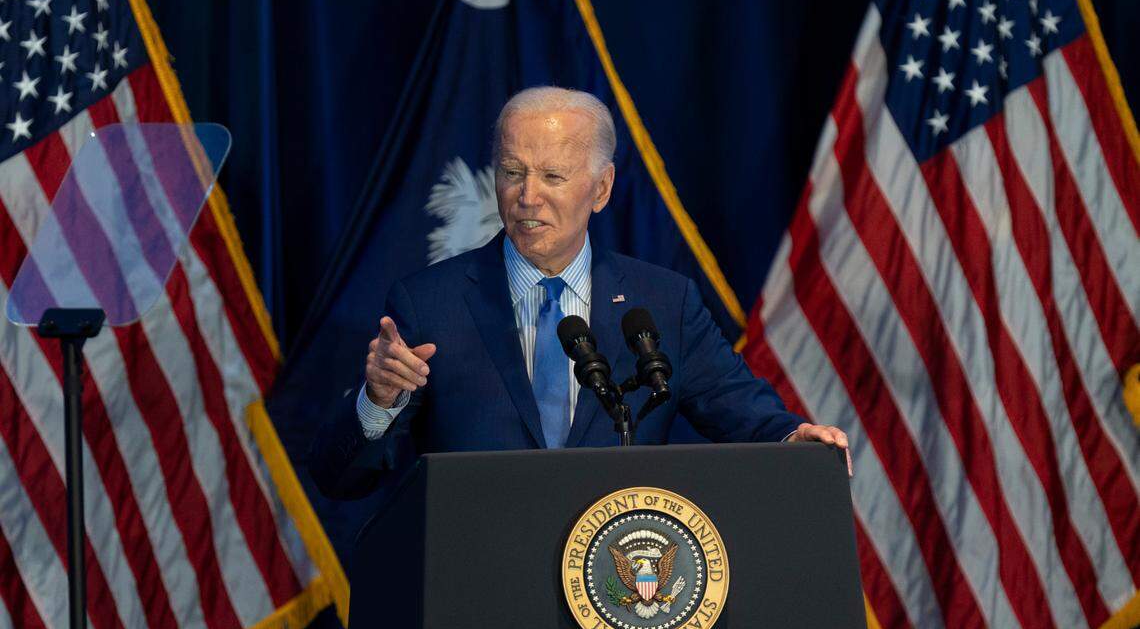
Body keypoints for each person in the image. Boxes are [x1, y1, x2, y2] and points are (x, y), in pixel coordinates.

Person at [311, 87, 849, 500]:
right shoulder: (429, 304)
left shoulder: (663, 303)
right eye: (513, 172)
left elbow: (746, 413)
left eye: (552, 176)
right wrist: (377, 402)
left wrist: (792, 442)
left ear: (603, 188)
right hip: (477, 587)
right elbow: (339, 480)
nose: (527, 197)